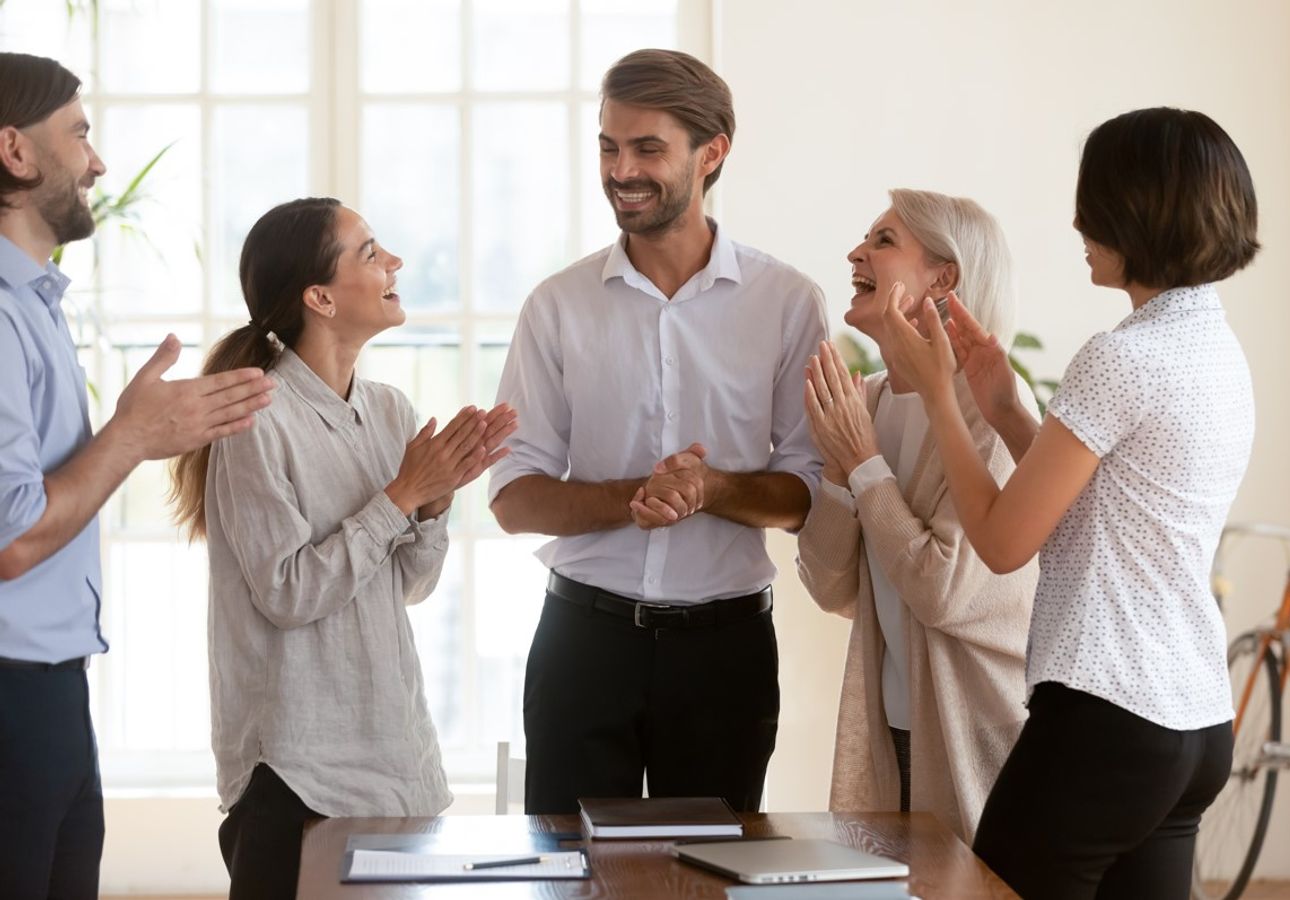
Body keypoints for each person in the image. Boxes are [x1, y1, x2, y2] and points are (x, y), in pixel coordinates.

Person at [879, 108, 1258, 899]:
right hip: (1190, 725)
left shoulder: (1120, 357)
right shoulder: (1214, 350)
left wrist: (944, 397)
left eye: (1092, 201)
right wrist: (1004, 406)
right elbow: (1101, 507)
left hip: (1105, 719)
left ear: (1134, 210)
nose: (1077, 222)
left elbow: (1002, 541)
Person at [489, 48, 827, 815]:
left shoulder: (785, 302)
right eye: (609, 146)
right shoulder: (557, 305)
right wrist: (638, 497)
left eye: (647, 148)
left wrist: (709, 490)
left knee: (705, 876)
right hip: (582, 641)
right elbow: (513, 498)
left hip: (725, 653)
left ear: (712, 154)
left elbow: (806, 495)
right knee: (568, 875)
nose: (620, 169)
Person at [167, 197, 516, 900]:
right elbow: (289, 593)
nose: (394, 263)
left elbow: (406, 587)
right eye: (369, 252)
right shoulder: (254, 415)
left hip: (393, 760)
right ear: (319, 297)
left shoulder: (388, 410)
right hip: (295, 776)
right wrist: (399, 496)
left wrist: (435, 500)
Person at [0, 52, 273, 899]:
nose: (97, 162)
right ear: (14, 151)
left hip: (49, 688)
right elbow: (9, 538)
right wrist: (132, 435)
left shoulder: (33, 302)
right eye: (79, 134)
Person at [796, 188, 1036, 842]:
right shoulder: (865, 403)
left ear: (943, 278)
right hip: (892, 729)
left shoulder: (988, 414)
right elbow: (829, 586)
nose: (855, 252)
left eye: (882, 241)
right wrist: (843, 470)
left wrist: (864, 465)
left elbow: (943, 591)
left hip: (980, 731)